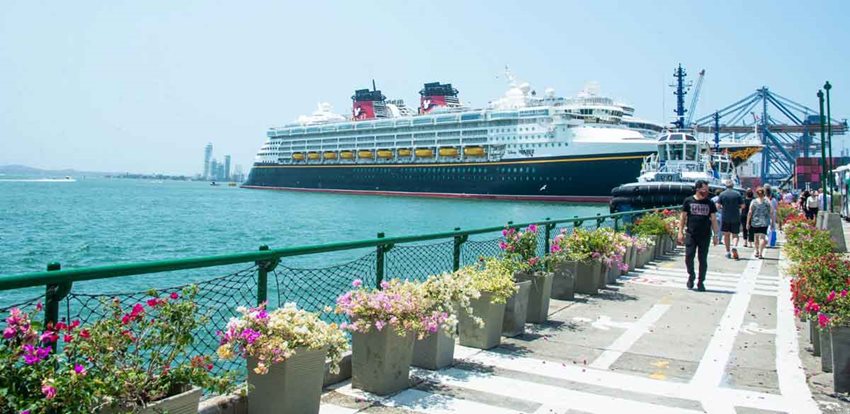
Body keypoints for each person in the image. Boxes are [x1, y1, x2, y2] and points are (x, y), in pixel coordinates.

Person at [678, 180, 719, 291]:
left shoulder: (710, 203)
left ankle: (701, 281)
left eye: (707, 189)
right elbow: (683, 217)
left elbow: (714, 219)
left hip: (705, 235)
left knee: (703, 259)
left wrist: (716, 235)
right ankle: (691, 275)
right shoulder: (688, 201)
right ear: (697, 189)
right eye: (704, 189)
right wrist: (680, 232)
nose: (706, 192)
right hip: (691, 234)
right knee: (688, 257)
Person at [717, 180, 744, 259]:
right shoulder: (737, 194)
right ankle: (734, 246)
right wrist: (737, 207)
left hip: (725, 217)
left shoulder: (722, 194)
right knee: (735, 235)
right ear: (733, 186)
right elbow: (742, 206)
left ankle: (728, 252)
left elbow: (718, 206)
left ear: (726, 186)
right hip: (735, 217)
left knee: (726, 235)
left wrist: (723, 207)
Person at [747, 187, 772, 259]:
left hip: (755, 222)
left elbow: (750, 212)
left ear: (756, 193)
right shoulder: (767, 201)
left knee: (756, 237)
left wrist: (747, 223)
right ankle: (761, 253)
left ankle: (757, 251)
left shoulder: (753, 201)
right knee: (762, 237)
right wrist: (772, 221)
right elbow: (771, 211)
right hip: (764, 222)